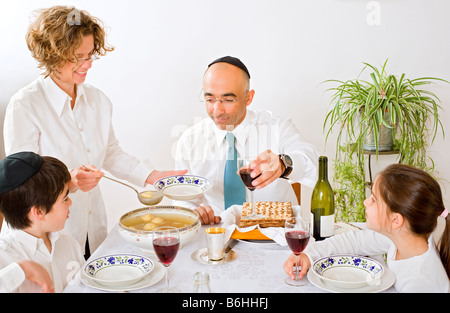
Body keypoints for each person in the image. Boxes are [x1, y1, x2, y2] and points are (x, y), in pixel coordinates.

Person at [3, 6, 186, 255]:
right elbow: (20, 183)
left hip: (92, 226)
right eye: (77, 56)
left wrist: (152, 176)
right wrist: (68, 179)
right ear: (51, 53)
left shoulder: (98, 101)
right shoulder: (25, 105)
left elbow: (110, 152)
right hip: (44, 238)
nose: (87, 64)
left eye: (90, 55)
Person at [174, 56, 319, 225]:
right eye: (210, 99)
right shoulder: (190, 140)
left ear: (248, 98)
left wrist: (283, 164)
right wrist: (195, 213)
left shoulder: (277, 127)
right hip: (218, 234)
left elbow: (314, 164)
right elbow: (183, 199)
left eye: (228, 100)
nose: (217, 110)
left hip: (275, 237)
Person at [283, 163, 450, 292]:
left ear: (396, 220)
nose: (365, 202)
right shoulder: (402, 238)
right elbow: (356, 241)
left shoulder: (421, 282)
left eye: (374, 199)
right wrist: (308, 255)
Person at [0, 152, 85, 292]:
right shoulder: (4, 256)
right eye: (65, 199)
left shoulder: (68, 244)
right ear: (39, 212)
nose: (70, 202)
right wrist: (22, 269)